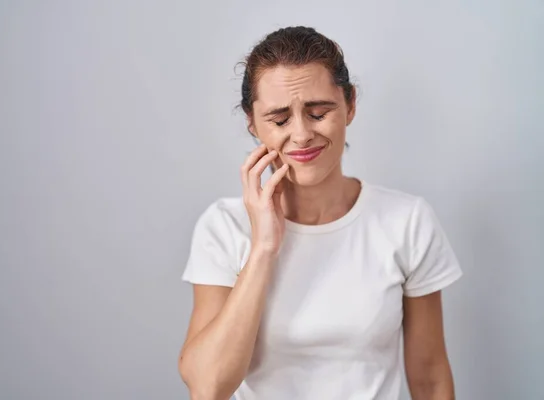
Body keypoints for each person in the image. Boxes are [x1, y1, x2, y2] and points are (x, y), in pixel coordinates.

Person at [177, 26, 462, 400]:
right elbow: (208, 385)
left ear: (350, 105)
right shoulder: (223, 227)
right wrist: (263, 248)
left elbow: (429, 377)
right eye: (279, 120)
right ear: (252, 123)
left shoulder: (406, 222)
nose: (301, 135)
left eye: (318, 112)